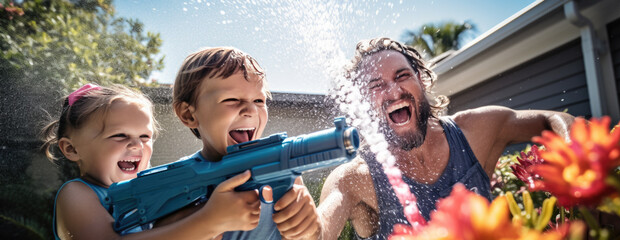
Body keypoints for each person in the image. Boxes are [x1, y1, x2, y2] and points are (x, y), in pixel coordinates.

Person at [317, 37, 575, 239]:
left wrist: (572, 153)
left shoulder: (474, 132)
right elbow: (318, 231)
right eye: (376, 86)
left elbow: (553, 120)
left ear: (421, 81)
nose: (394, 91)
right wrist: (300, 219)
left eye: (402, 76)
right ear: (362, 104)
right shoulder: (355, 179)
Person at [43, 83, 252, 239]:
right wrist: (209, 220)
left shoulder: (147, 194)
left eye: (145, 137)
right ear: (71, 149)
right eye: (119, 136)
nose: (136, 145)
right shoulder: (77, 193)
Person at [172, 47, 320, 240]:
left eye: (259, 100)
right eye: (231, 99)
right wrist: (209, 221)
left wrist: (311, 228)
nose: (250, 110)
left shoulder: (281, 175)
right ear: (188, 114)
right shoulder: (179, 182)